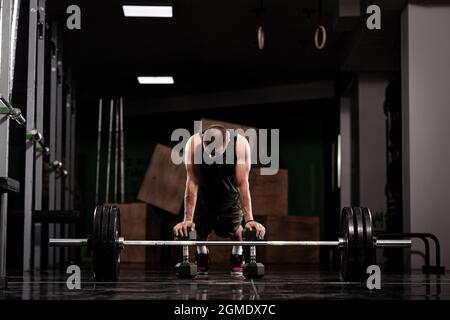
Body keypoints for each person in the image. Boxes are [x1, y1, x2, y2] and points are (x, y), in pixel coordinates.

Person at [173, 124, 266, 276]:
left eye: (217, 152)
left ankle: (237, 254)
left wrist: (249, 220)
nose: (212, 157)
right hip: (204, 199)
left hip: (229, 198)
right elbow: (192, 181)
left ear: (227, 142)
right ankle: (202, 253)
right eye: (210, 153)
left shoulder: (240, 144)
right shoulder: (194, 143)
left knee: (236, 231)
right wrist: (187, 219)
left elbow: (242, 184)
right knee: (200, 232)